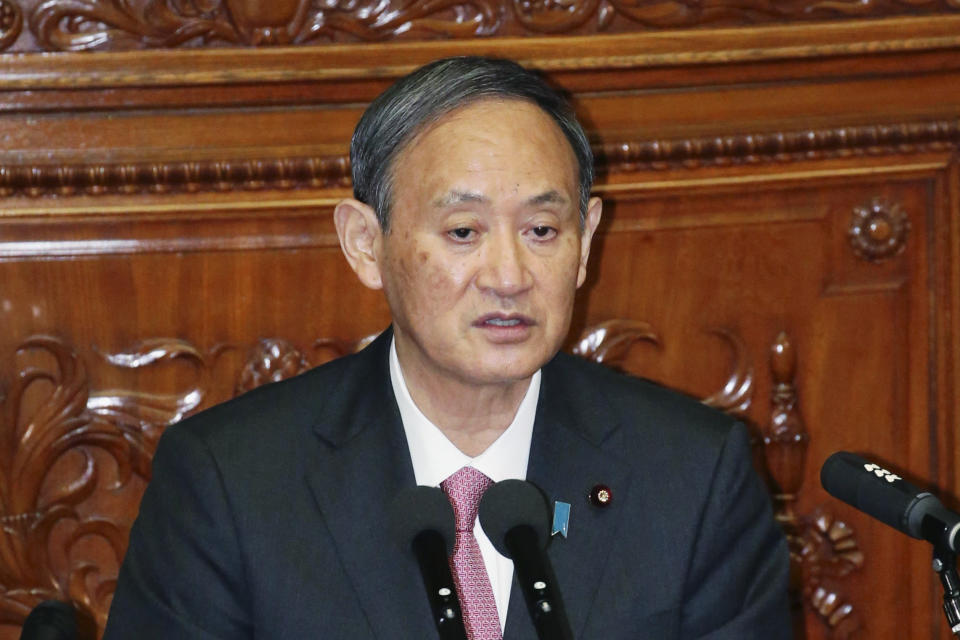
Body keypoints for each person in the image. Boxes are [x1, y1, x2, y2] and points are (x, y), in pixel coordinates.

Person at [103, 56, 791, 639]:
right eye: (463, 232)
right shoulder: (229, 483)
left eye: (543, 231)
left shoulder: (695, 474)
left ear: (586, 241)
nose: (510, 276)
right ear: (366, 246)